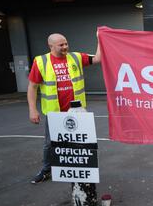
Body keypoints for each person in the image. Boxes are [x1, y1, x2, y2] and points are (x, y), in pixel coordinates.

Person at [27, 33, 101, 184]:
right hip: (55, 113)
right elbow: (32, 87)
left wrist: (100, 38)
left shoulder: (76, 57)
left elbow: (98, 58)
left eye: (66, 43)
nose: (65, 47)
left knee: (80, 142)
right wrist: (32, 109)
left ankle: (78, 169)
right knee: (50, 143)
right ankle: (46, 169)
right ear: (51, 46)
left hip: (76, 111)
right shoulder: (41, 61)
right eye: (61, 45)